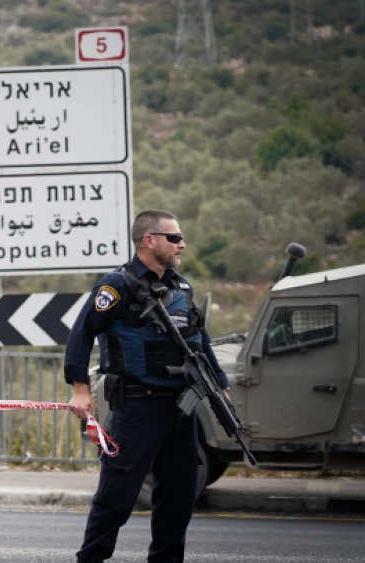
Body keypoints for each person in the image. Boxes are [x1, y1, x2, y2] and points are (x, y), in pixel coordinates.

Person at [64, 210, 231, 563]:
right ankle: (90, 559)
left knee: (178, 496)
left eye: (181, 237)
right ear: (149, 240)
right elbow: (81, 334)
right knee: (117, 496)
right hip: (137, 407)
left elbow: (199, 339)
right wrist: (80, 388)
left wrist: (220, 383)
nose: (181, 243)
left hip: (181, 408)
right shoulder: (116, 286)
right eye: (173, 237)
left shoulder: (181, 287)